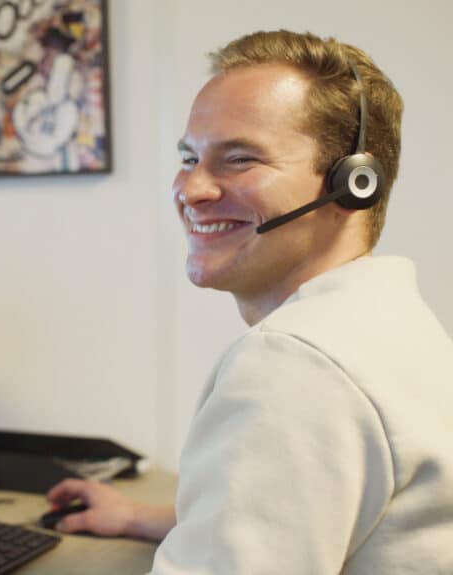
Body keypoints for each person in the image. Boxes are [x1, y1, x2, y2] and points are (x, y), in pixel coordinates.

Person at [47, 30, 453, 573]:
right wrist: (147, 519)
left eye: (239, 160)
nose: (192, 190)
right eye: (190, 157)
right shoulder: (387, 323)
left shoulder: (295, 364)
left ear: (355, 184)